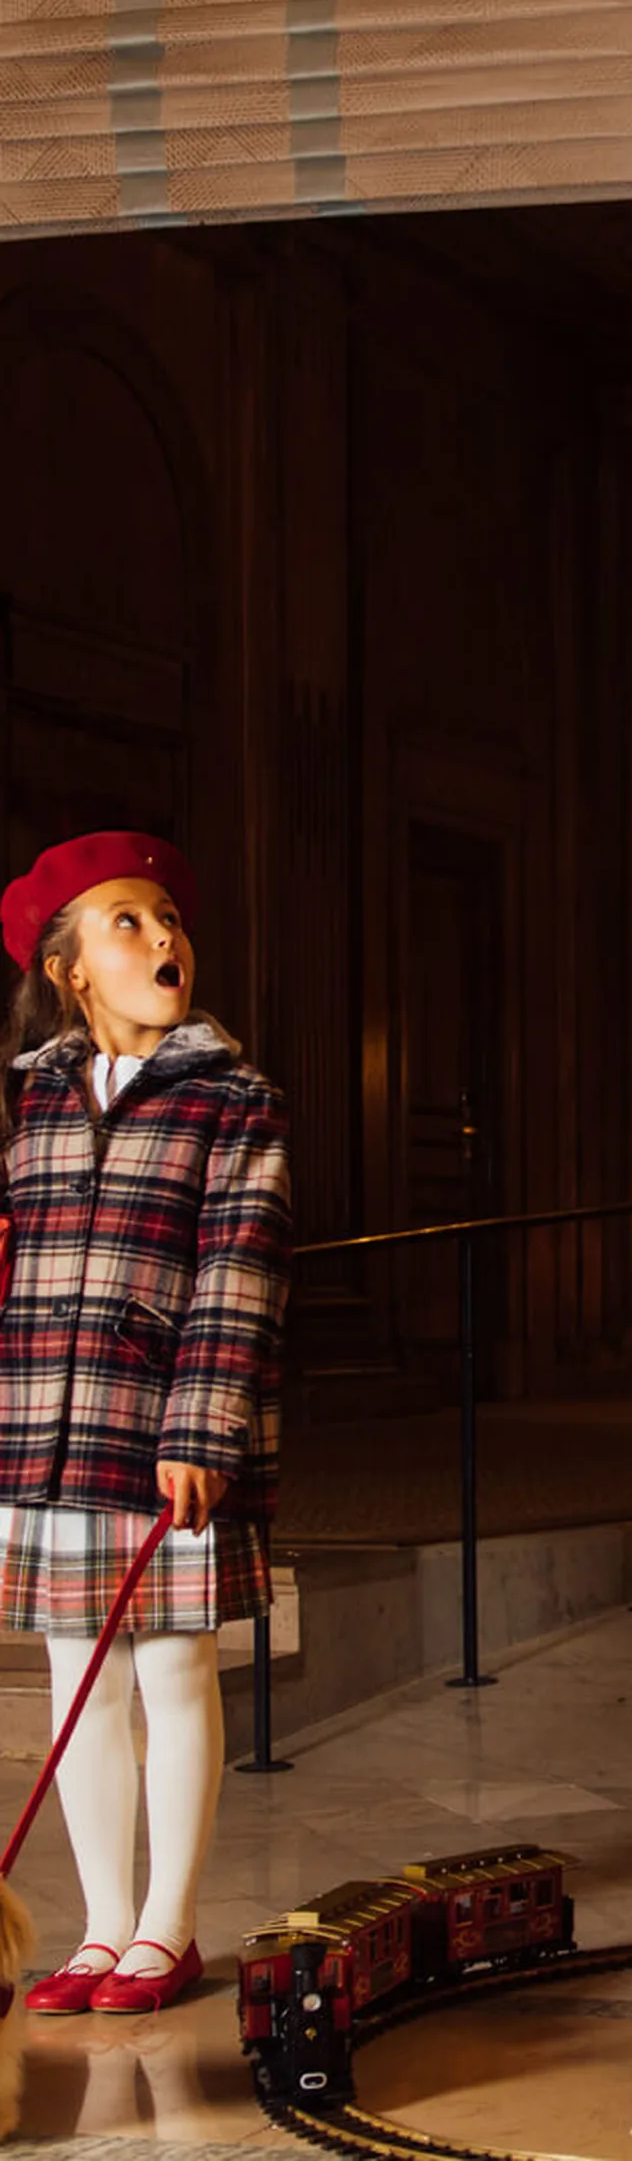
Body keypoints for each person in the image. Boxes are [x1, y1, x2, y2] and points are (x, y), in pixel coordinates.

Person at [0, 832, 290, 2015]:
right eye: (128, 919)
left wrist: (203, 1430)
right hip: (41, 1436)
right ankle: (99, 1929)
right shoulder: (25, 1100)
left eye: (170, 915)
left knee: (173, 1674)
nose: (164, 936)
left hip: (167, 1436)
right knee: (78, 1687)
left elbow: (239, 1272)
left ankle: (167, 1929)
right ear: (69, 966)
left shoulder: (235, 1100)